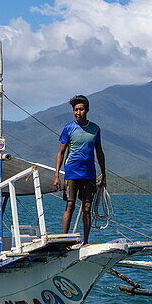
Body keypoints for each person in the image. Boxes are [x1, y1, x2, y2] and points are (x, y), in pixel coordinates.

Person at [53, 95, 106, 243]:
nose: (78, 112)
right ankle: (64, 239)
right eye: (76, 110)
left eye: (81, 109)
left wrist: (104, 174)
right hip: (71, 172)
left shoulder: (95, 129)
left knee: (87, 208)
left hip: (89, 174)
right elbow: (60, 153)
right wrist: (56, 175)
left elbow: (99, 152)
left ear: (87, 110)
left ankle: (86, 241)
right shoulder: (68, 129)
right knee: (70, 205)